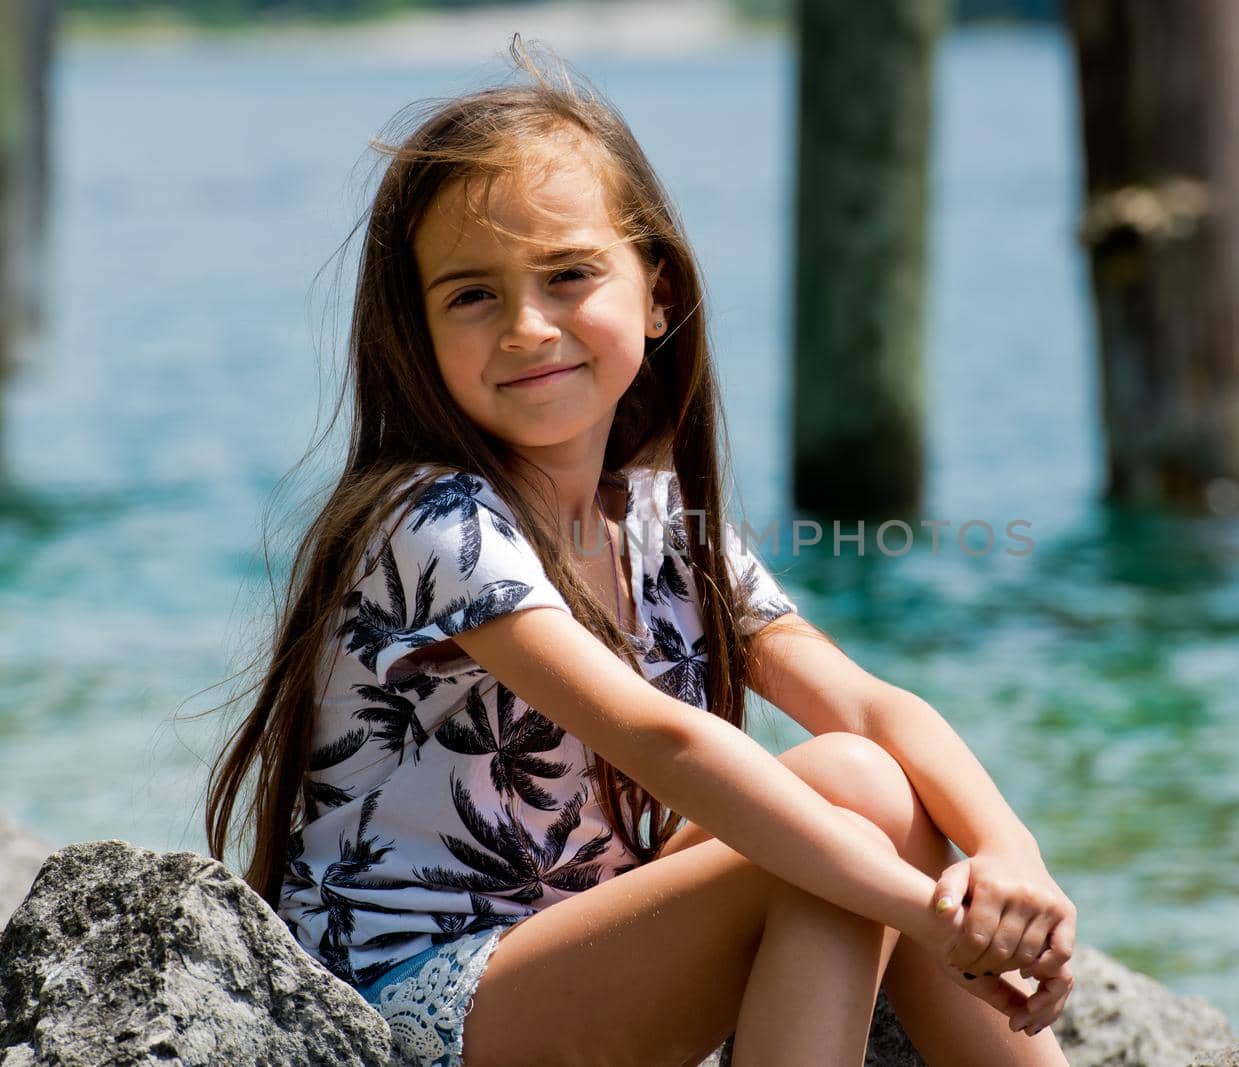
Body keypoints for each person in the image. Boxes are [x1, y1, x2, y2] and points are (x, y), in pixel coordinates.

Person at [205, 37, 1076, 1067]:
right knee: (826, 848)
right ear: (419, 327)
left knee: (860, 776)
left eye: (569, 274)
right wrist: (937, 913)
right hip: (417, 1001)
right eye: (472, 294)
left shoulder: (658, 520)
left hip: (577, 940)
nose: (529, 326)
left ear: (657, 292)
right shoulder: (431, 523)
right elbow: (663, 741)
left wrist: (1008, 855)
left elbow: (866, 702)